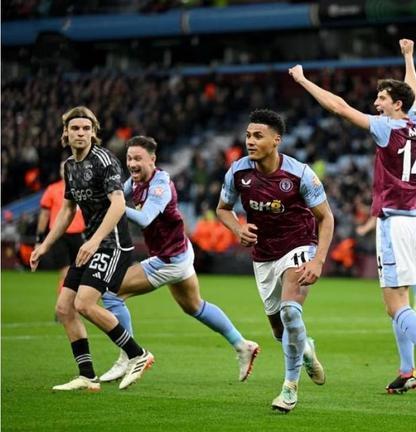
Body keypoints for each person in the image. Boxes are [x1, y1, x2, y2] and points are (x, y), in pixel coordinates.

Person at [289, 39, 416, 397]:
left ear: (397, 105)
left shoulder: (387, 128)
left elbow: (339, 107)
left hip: (395, 224)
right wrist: (409, 57)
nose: (376, 103)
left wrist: (303, 81)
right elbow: (413, 91)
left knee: (394, 305)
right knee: (401, 301)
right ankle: (407, 371)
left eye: (382, 98)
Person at [99, 136, 260, 383]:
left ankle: (130, 356)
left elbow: (144, 218)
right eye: (129, 158)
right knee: (194, 306)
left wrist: (114, 207)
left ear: (152, 160)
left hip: (168, 260)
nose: (132, 163)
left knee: (111, 293)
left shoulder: (160, 185)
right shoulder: (136, 180)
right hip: (180, 253)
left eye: (138, 158)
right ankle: (242, 345)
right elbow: (118, 194)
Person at [216, 109, 334, 413]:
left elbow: (326, 217)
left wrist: (318, 261)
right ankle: (305, 348)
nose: (250, 141)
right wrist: (238, 229)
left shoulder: (300, 174)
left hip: (298, 246)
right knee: (281, 331)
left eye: (258, 136)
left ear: (276, 140)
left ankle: (289, 388)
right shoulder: (238, 172)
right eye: (248, 135)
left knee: (291, 312)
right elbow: (223, 209)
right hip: (264, 256)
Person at [30, 106, 153, 391]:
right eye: (75, 128)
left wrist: (94, 240)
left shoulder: (104, 160)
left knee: (84, 303)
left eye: (86, 128)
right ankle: (87, 376)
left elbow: (118, 204)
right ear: (66, 133)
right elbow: (67, 210)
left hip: (113, 244)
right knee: (64, 308)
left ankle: (138, 354)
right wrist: (44, 245)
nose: (81, 133)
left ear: (93, 132)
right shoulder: (69, 166)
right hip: (93, 244)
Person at [35, 160, 86, 301]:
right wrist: (40, 238)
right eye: (63, 168)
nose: (65, 171)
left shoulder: (83, 188)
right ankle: (63, 305)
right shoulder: (52, 189)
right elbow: (44, 214)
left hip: (79, 235)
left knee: (81, 272)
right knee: (65, 272)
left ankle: (73, 303)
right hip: (59, 235)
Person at [356, 216, 416, 313]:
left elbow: (377, 214)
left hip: (399, 234)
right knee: (411, 269)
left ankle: (409, 302)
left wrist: (364, 229)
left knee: (401, 272)